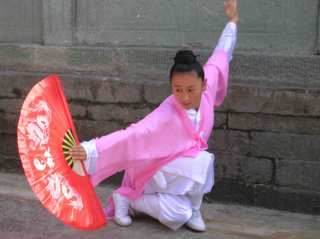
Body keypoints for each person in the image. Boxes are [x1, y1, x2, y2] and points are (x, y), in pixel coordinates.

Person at [70, 0, 238, 232]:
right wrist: (90, 149)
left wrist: (233, 21)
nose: (185, 96)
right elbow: (132, 135)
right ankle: (127, 198)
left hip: (177, 168)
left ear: (204, 84)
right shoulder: (167, 113)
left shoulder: (208, 84)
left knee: (179, 213)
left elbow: (221, 53)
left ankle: (186, 207)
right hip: (154, 167)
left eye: (191, 89)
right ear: (171, 87)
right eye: (177, 90)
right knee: (203, 162)